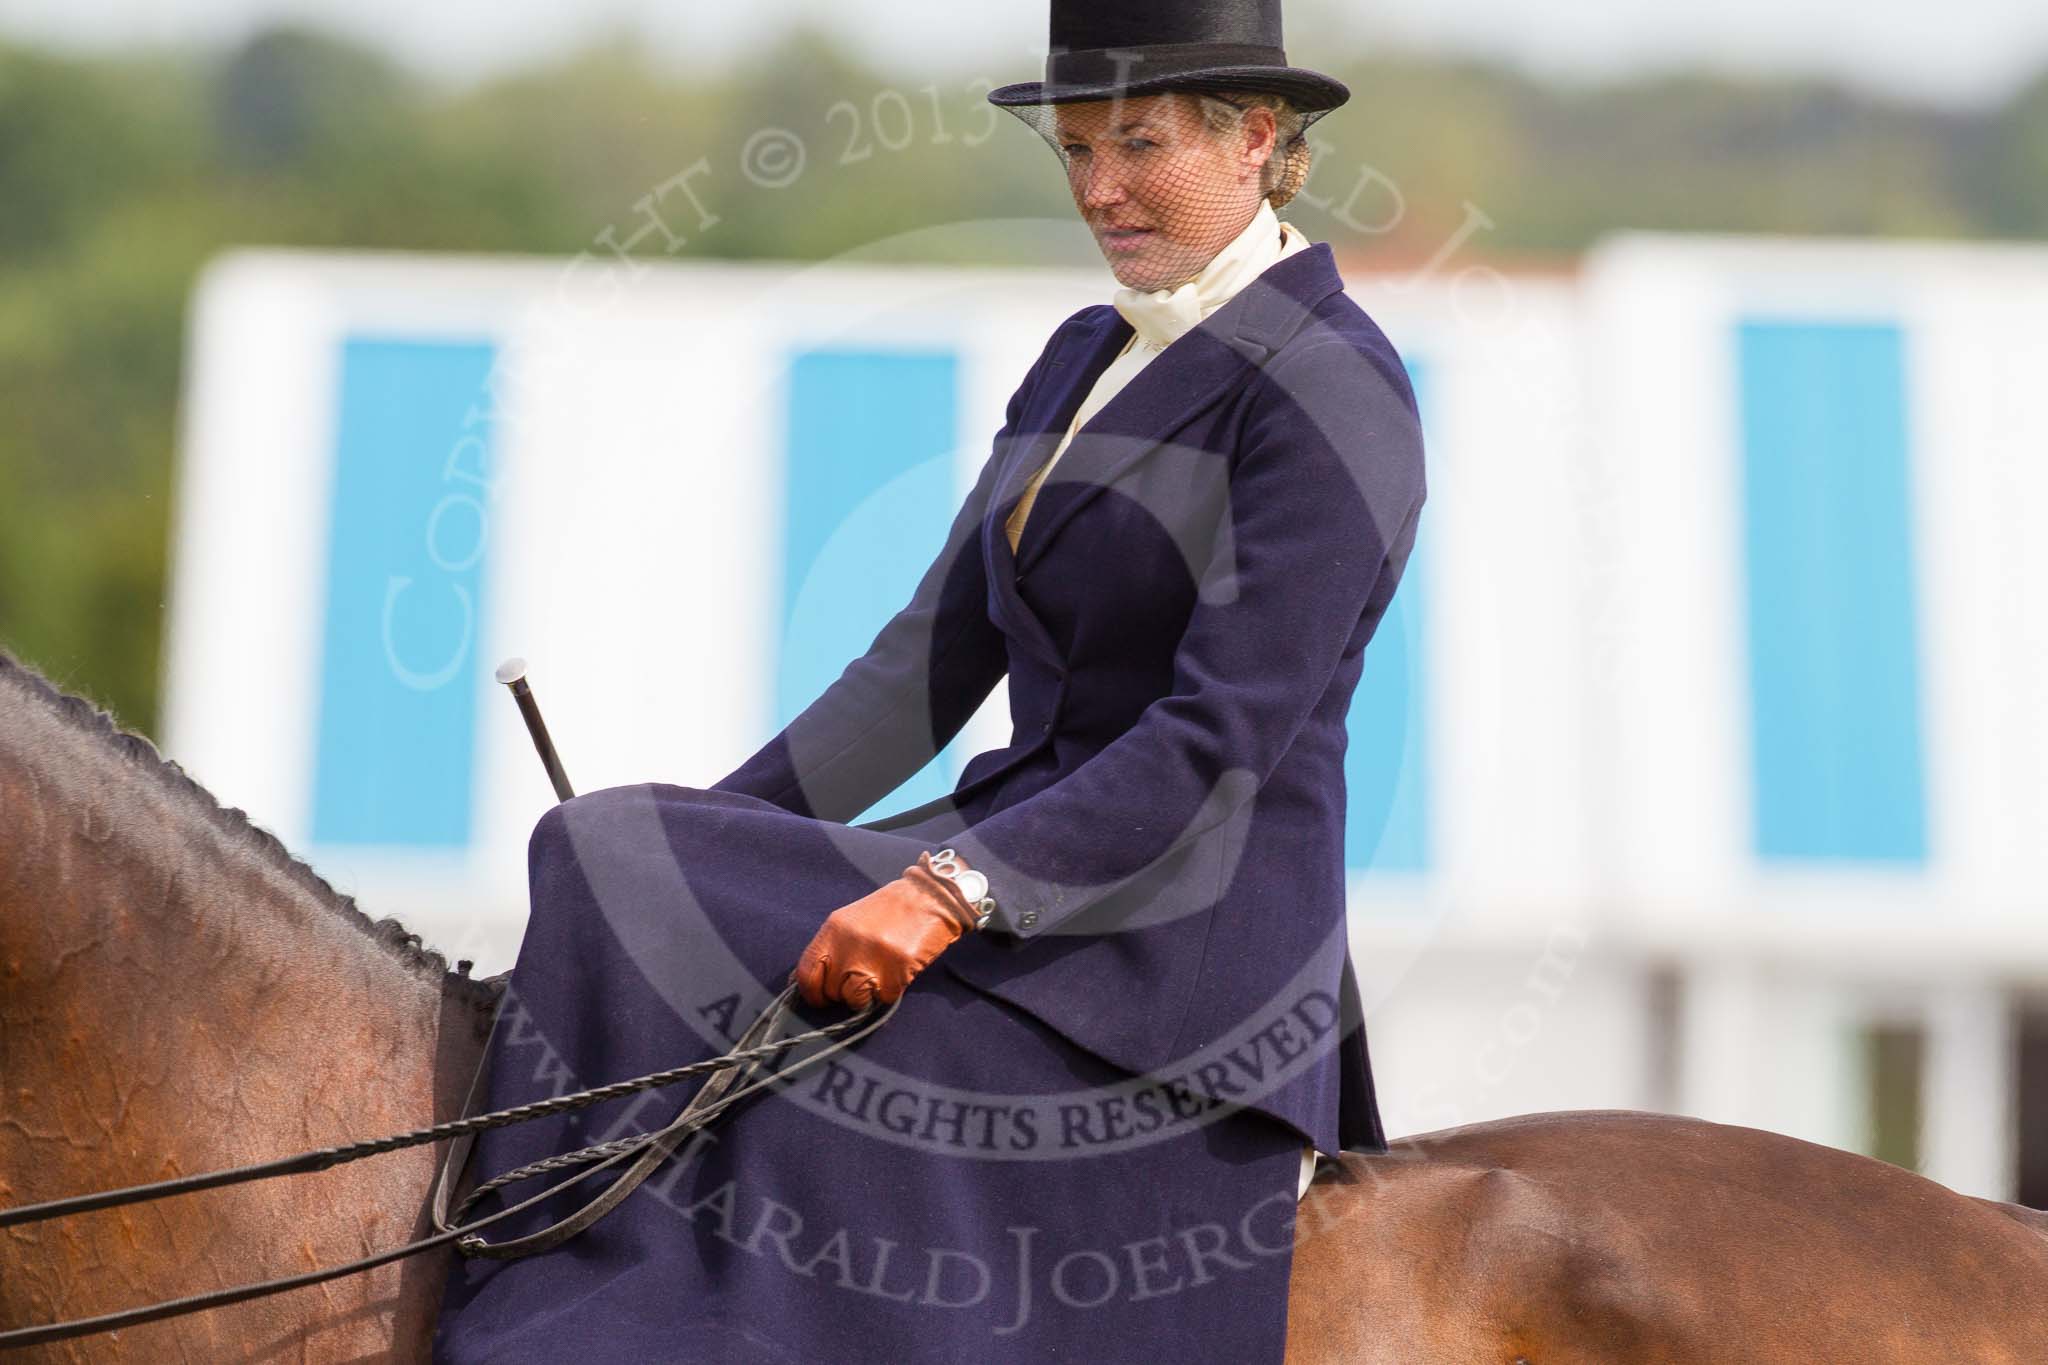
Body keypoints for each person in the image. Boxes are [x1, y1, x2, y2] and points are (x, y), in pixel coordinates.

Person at [431, 1, 1425, 1360]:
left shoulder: (1334, 389)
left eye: (1136, 146)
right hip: (1009, 871)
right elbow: (919, 674)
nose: (1098, 189)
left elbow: (1219, 741)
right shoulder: (1087, 350)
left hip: (1173, 942)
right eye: (1073, 150)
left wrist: (952, 887)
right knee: (611, 853)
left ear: (1257, 138)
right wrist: (697, 846)